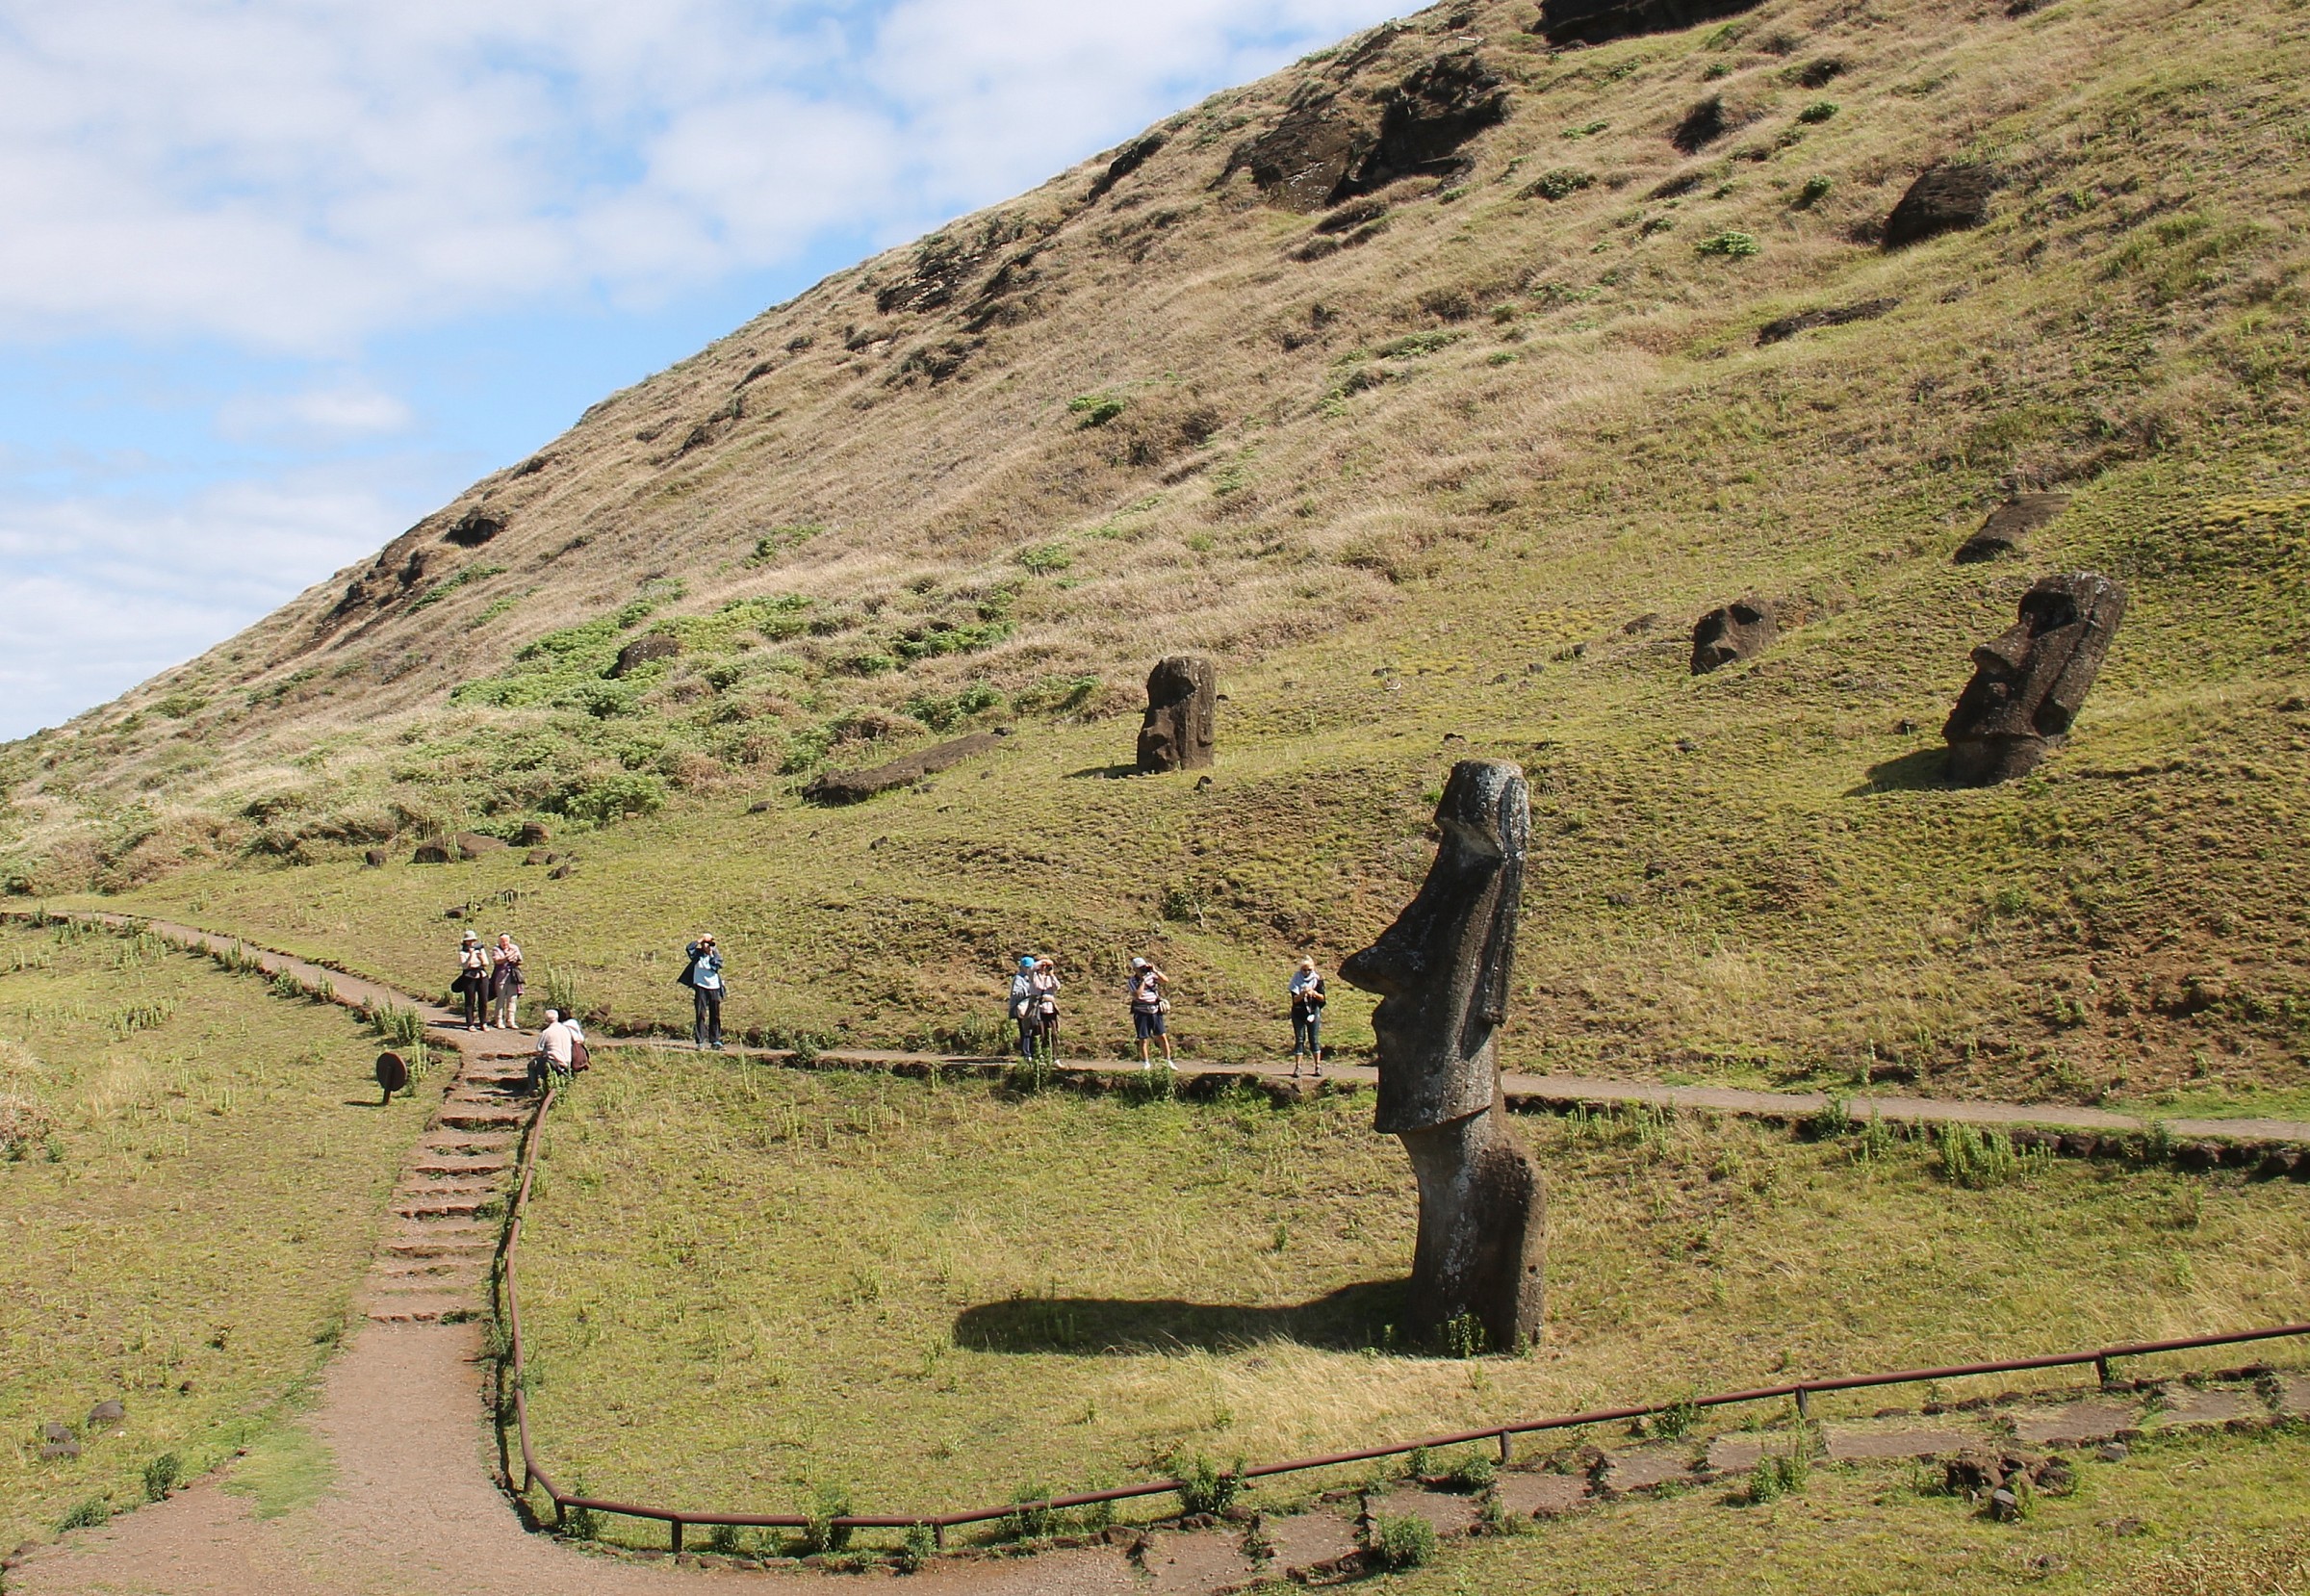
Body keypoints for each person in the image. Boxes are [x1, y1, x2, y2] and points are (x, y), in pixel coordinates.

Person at [678, 934, 726, 1050]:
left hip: (714, 987)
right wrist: (700, 940)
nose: (708, 946)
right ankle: (700, 1041)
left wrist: (711, 954)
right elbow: (689, 948)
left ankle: (715, 1040)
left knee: (715, 1014)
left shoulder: (715, 955)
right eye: (706, 943)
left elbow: (717, 965)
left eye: (710, 944)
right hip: (701, 987)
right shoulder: (697, 954)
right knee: (700, 1014)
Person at [1129, 956, 1174, 1070]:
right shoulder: (1132, 981)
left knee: (1162, 1036)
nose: (1142, 970)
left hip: (1154, 1010)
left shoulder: (1152, 976)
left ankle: (1168, 1060)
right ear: (1135, 969)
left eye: (1143, 967)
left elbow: (1165, 980)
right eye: (1140, 968)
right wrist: (1143, 981)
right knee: (1143, 1038)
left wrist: (1155, 971)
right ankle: (1146, 1062)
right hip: (1141, 1012)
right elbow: (1137, 995)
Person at [1289, 956, 1327, 1077]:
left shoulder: (1318, 980)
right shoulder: (1296, 980)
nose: (1306, 973)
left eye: (1309, 970)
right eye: (1304, 970)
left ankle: (1317, 1066)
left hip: (1313, 1011)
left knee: (1314, 1040)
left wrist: (1314, 993)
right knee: (1299, 1039)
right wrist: (1303, 993)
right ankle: (1298, 1067)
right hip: (1299, 1013)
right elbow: (1295, 999)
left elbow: (1323, 998)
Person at [532, 1007, 579, 1093]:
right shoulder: (566, 1030)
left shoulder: (547, 1032)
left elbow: (539, 1049)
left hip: (554, 1062)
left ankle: (535, 1088)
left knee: (533, 1064)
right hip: (567, 1061)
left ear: (546, 1020)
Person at [455, 932, 491, 1031]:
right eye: (469, 941)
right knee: (470, 1000)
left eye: (473, 941)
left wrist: (480, 957)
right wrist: (470, 955)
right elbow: (465, 966)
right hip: (469, 976)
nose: (471, 943)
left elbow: (486, 963)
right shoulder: (462, 953)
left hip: (481, 975)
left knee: (483, 999)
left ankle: (483, 1022)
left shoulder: (480, 949)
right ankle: (470, 1023)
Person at [1028, 957, 1062, 1061]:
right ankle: (1038, 1056)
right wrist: (1042, 962)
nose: (1044, 968)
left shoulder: (1050, 978)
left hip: (1050, 1009)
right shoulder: (1034, 977)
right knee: (1040, 1033)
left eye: (1046, 966)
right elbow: (1031, 969)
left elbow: (1057, 986)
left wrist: (1051, 974)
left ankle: (1054, 1057)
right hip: (1039, 1009)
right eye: (1043, 966)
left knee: (1054, 1034)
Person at [490, 934, 526, 1030]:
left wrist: (515, 959)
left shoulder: (514, 947)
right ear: (499, 942)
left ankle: (511, 1021)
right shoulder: (496, 950)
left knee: (512, 998)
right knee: (500, 998)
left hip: (513, 977)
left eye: (506, 941)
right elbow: (497, 961)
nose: (505, 943)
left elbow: (520, 959)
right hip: (501, 977)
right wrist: (508, 957)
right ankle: (498, 1020)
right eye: (502, 941)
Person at [1008, 956, 1037, 1063]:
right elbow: (1016, 992)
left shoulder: (1034, 976)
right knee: (1025, 1031)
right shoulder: (1019, 978)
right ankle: (1026, 1053)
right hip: (1023, 1008)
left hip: (1033, 1007)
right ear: (1023, 967)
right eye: (1027, 967)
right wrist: (1029, 992)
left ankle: (1033, 1052)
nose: (1029, 969)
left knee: (1034, 1030)